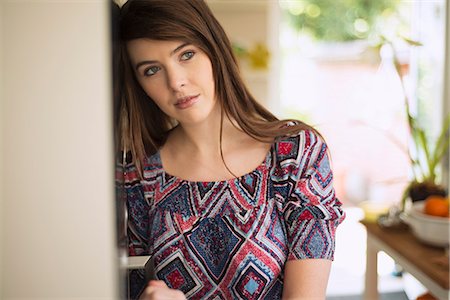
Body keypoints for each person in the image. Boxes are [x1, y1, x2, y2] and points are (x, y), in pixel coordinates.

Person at [117, 0, 345, 299]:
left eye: (186, 55)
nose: (176, 82)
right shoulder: (136, 173)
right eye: (151, 70)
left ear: (214, 50)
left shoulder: (296, 154)